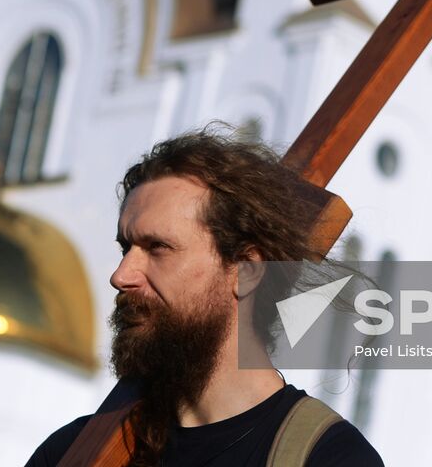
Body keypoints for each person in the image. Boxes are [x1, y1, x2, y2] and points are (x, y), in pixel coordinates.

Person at [26, 129, 384, 466]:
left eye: (158, 248)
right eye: (126, 248)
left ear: (247, 269)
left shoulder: (327, 458)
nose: (120, 276)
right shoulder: (75, 451)